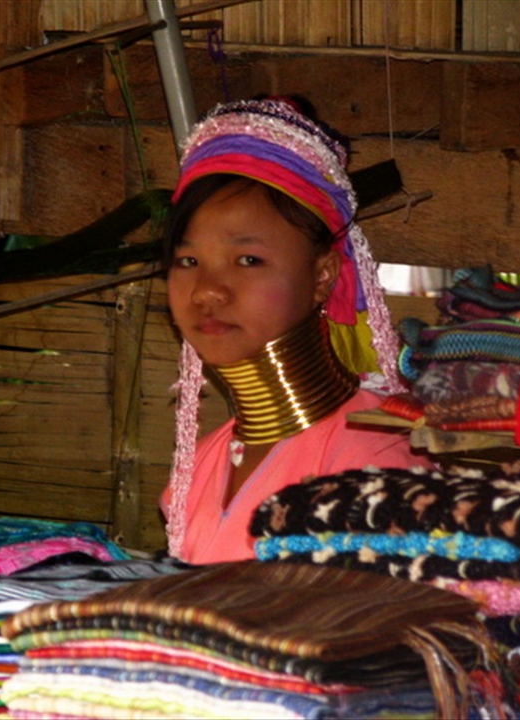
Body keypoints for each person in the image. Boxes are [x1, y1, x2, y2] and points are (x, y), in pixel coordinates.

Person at [160, 97, 435, 564]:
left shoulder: (374, 455)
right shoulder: (200, 464)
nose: (206, 291)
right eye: (188, 261)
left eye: (248, 260)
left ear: (323, 275)